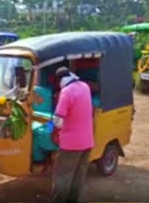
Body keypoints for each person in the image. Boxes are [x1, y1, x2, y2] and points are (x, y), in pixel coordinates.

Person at [52, 67, 94, 203]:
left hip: (71, 145)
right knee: (78, 175)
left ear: (60, 80)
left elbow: (58, 120)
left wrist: (52, 131)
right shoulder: (85, 86)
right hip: (87, 142)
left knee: (63, 176)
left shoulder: (66, 91)